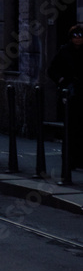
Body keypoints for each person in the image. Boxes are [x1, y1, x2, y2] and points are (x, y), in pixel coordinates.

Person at [48, 23, 83, 169]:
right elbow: (52, 70)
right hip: (69, 93)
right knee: (70, 127)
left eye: (80, 36)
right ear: (71, 38)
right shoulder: (64, 51)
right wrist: (62, 80)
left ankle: (79, 159)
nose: (78, 39)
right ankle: (69, 161)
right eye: (75, 36)